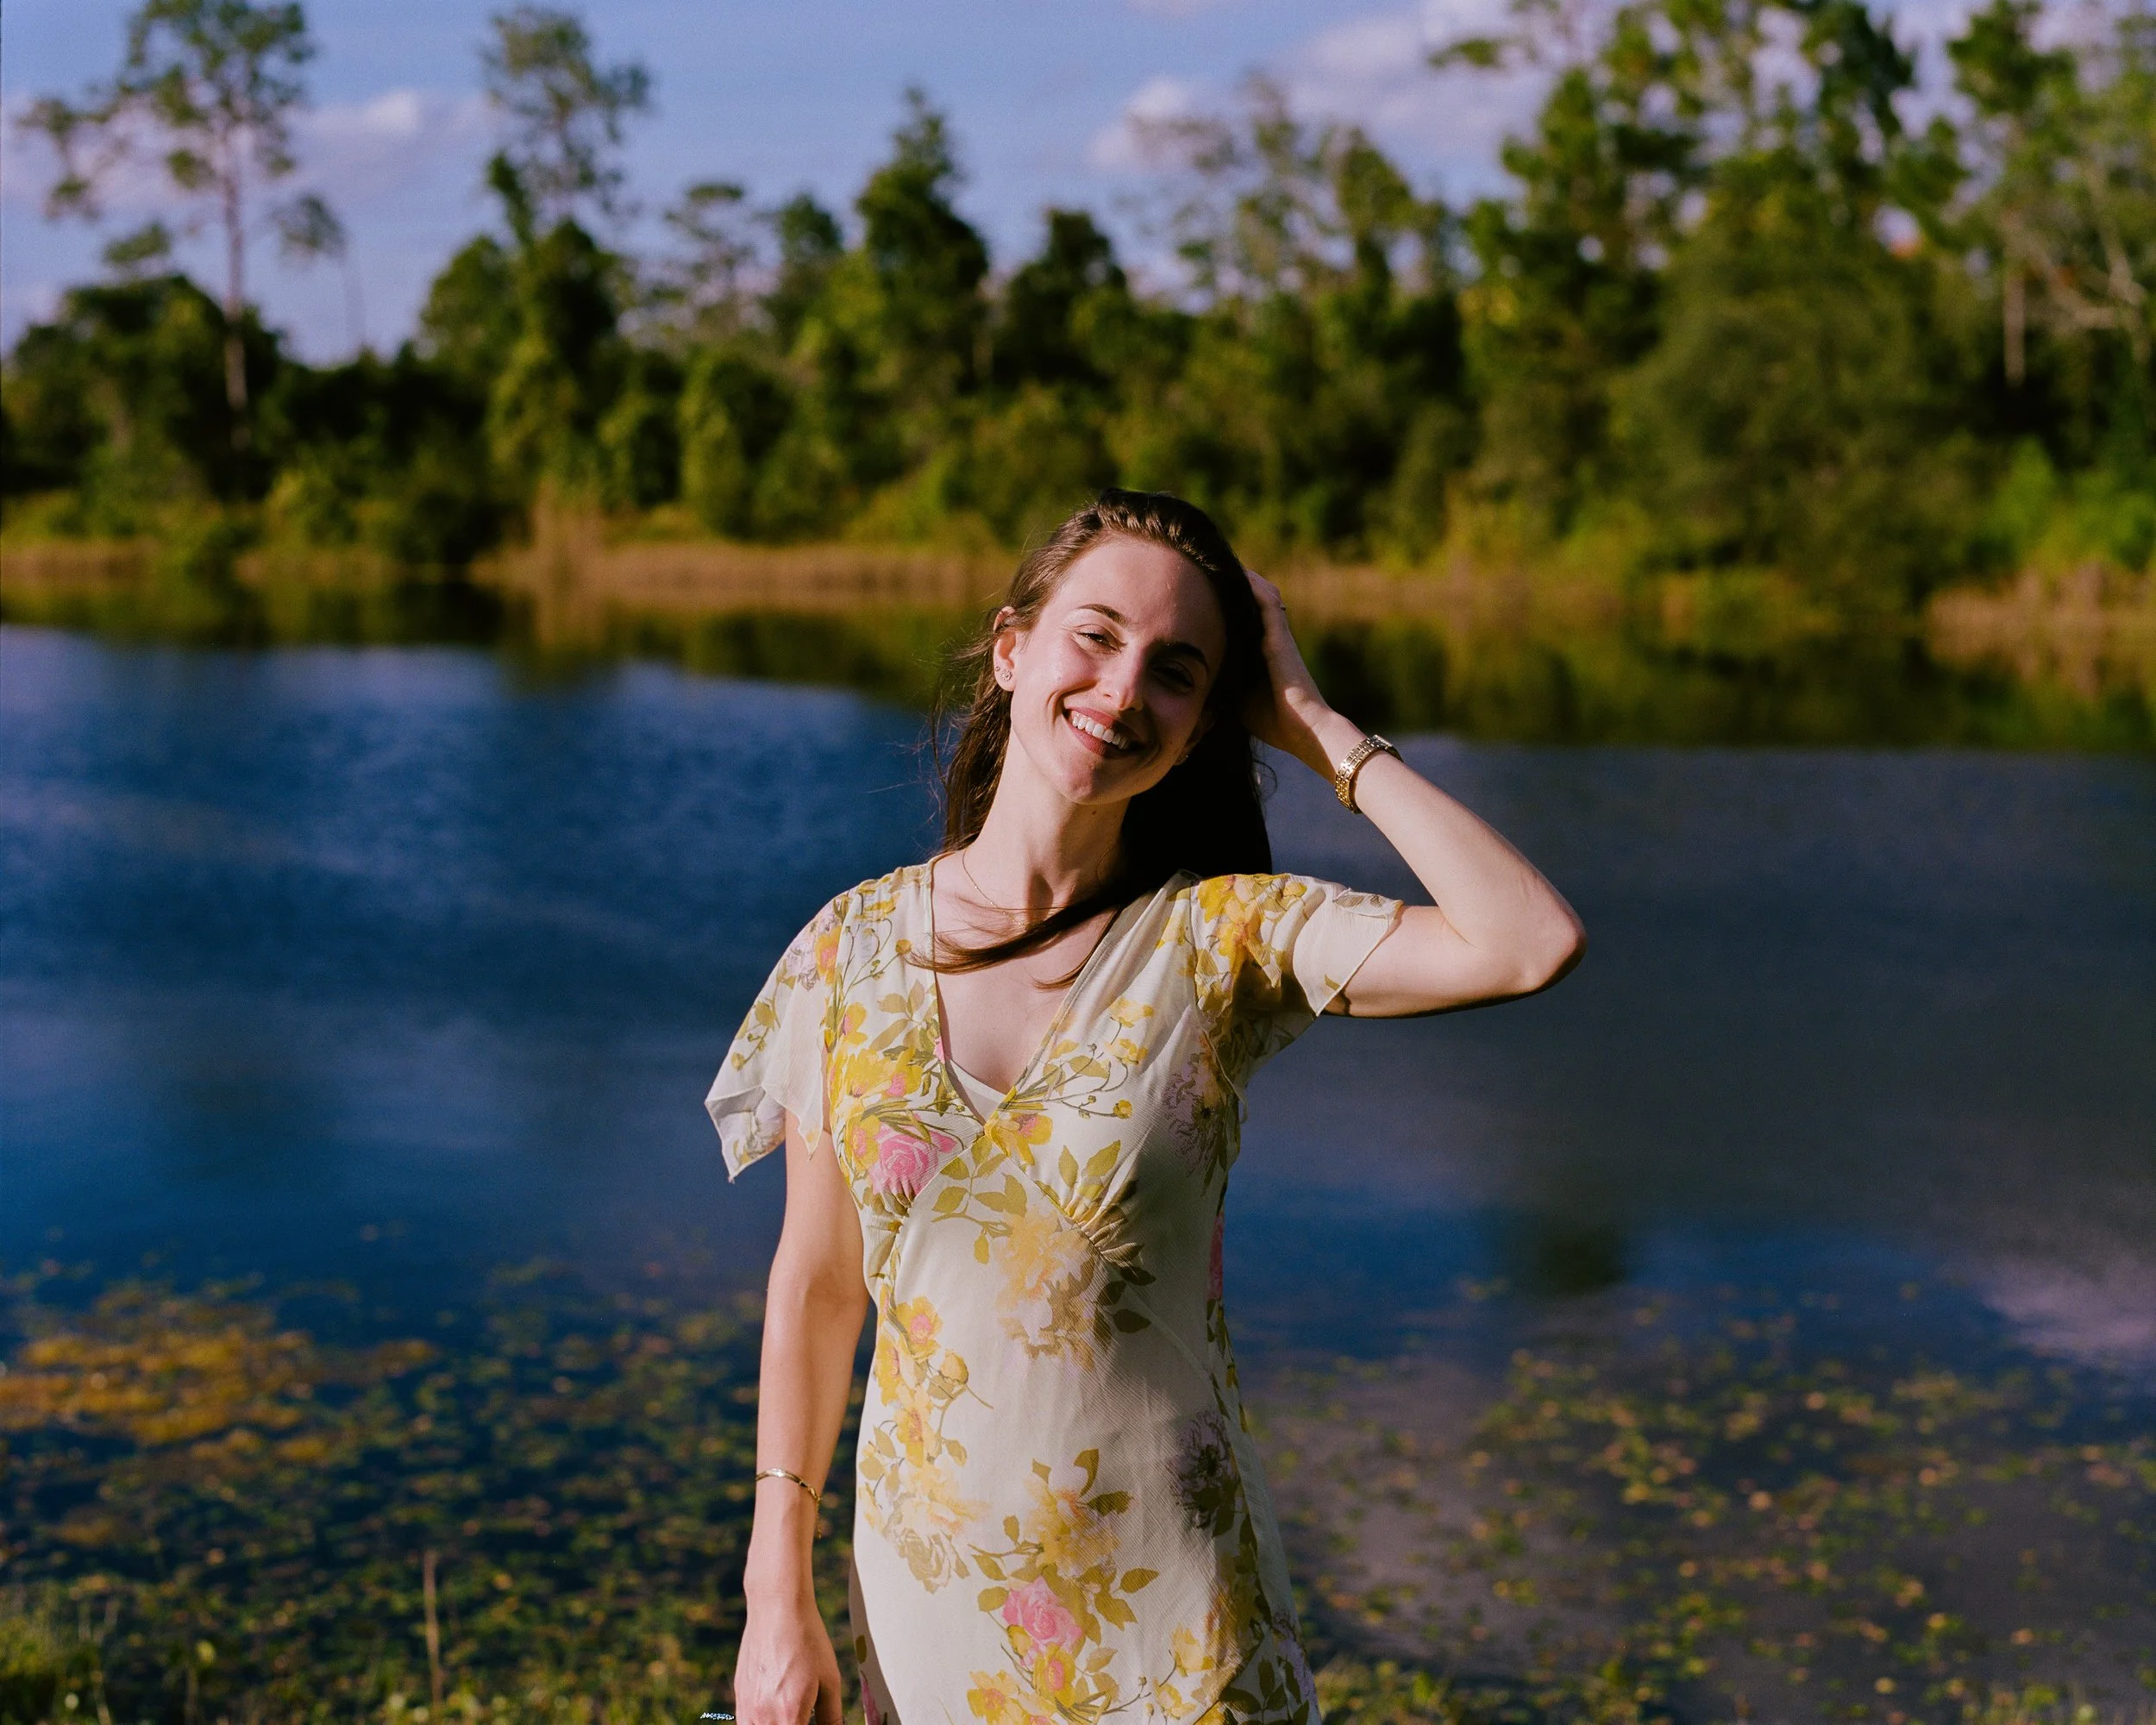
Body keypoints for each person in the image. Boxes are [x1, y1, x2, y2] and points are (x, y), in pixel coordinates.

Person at [705, 490, 1584, 1724]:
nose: (1123, 692)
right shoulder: (844, 954)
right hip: (927, 1616)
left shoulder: (1219, 947)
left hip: (1178, 1644)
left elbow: (1527, 940)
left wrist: (1321, 732)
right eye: (1097, 636)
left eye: (1178, 673)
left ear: (1206, 726)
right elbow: (817, 1284)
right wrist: (774, 1592)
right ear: (1012, 649)